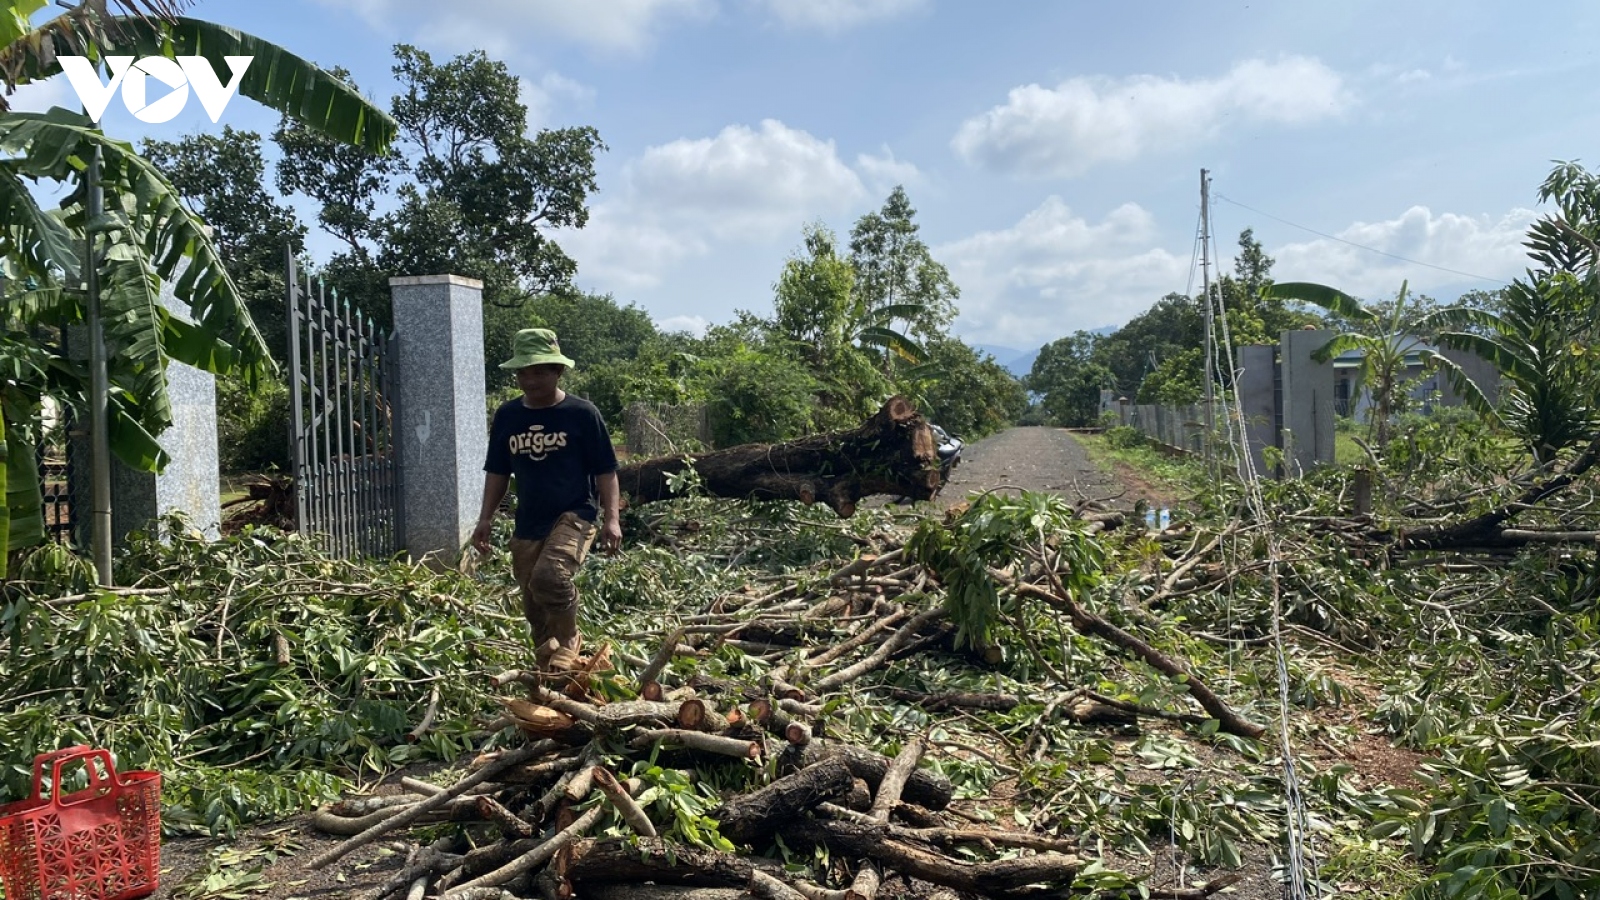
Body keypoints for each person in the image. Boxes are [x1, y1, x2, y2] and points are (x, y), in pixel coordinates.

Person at [472, 328, 622, 677]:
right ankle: (555, 680)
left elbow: (606, 471)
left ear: (558, 371)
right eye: (524, 372)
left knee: (551, 577)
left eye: (540, 370)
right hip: (528, 522)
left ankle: (570, 641)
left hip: (575, 514)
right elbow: (497, 471)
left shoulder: (582, 414)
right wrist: (485, 518)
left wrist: (611, 519)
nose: (530, 379)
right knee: (535, 609)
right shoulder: (509, 416)